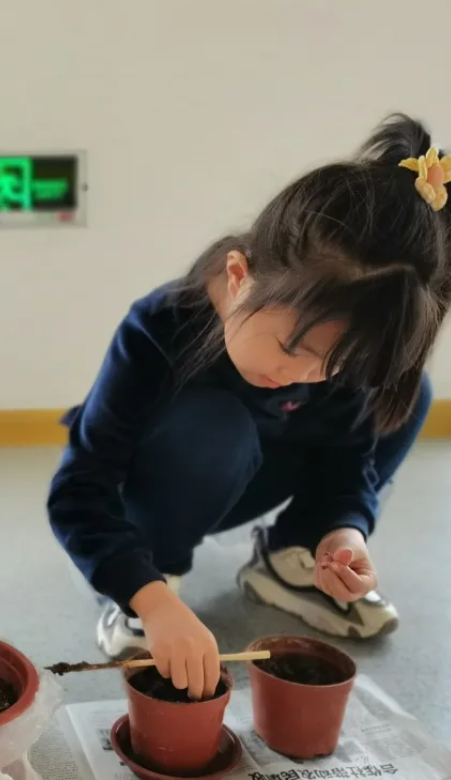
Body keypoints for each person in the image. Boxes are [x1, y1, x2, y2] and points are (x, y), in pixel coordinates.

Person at [48, 115, 451, 700]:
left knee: (407, 397)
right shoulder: (160, 327)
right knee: (216, 425)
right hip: (159, 491)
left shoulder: (335, 343)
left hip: (260, 465)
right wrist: (152, 601)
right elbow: (78, 492)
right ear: (239, 277)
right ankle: (149, 574)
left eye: (331, 366)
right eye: (293, 349)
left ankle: (291, 557)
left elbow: (347, 463)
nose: (304, 375)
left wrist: (343, 534)